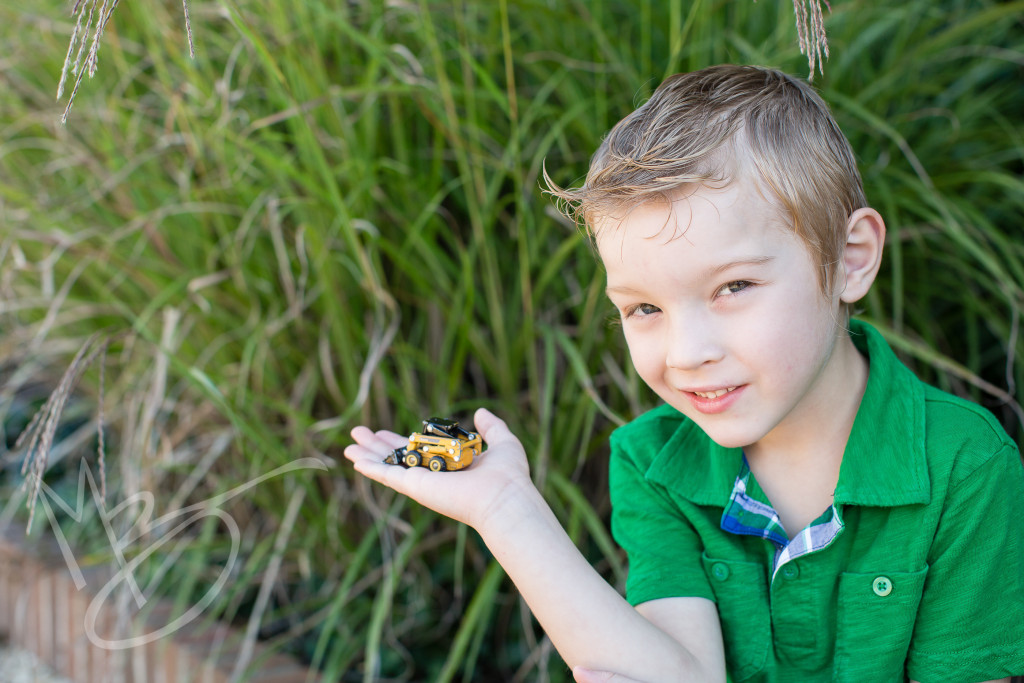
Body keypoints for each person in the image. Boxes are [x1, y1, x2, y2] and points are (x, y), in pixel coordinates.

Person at [344, 65, 1024, 682]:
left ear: (849, 259)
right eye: (644, 307)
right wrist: (505, 510)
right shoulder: (653, 461)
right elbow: (679, 674)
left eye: (731, 287)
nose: (686, 351)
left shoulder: (964, 465)